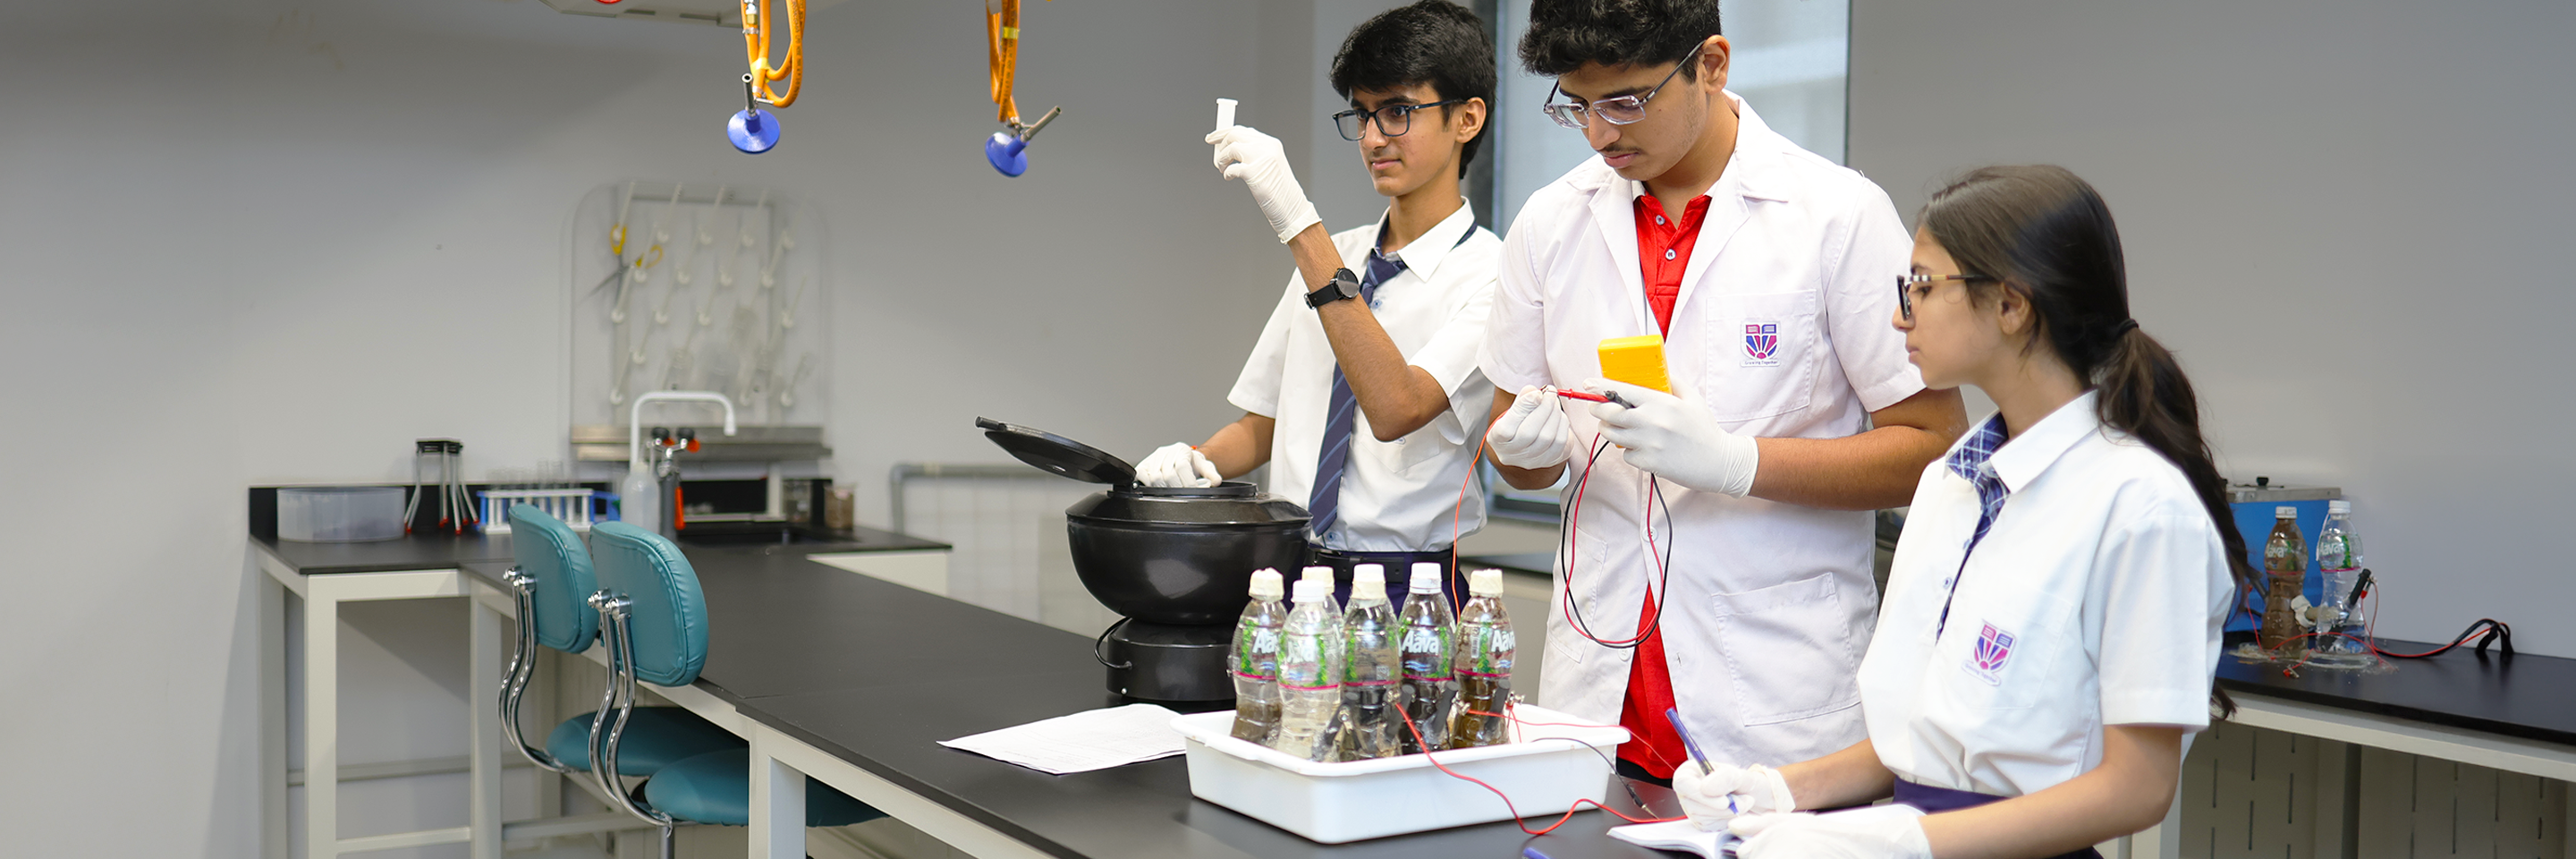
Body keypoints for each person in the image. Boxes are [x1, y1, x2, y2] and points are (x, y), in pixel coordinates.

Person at [1669, 166, 2251, 859]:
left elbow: (2137, 789)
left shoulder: (2139, 508)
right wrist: (1778, 791)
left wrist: (1903, 842)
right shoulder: (1955, 481)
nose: (1897, 315)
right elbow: (1926, 739)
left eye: (1920, 286)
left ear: (2011, 305)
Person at [1479, 0, 1968, 786]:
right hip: (1602, 692)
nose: (1602, 133)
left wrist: (1737, 463)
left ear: (1712, 63)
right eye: (1578, 106)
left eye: (1627, 101)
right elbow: (1516, 446)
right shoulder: (1549, 224)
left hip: (1774, 697)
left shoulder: (1836, 215)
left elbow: (1933, 446)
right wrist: (1524, 457)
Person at [1139, 0, 1502, 591]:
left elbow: (1396, 408)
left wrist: (1298, 223)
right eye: (1361, 115)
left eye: (1398, 112)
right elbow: (1268, 423)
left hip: (1405, 583)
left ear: (1467, 119)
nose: (1373, 137)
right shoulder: (1339, 252)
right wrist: (1195, 463)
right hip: (1289, 568)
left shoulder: (1492, 274)